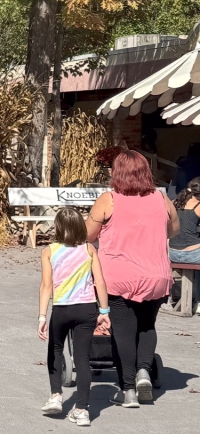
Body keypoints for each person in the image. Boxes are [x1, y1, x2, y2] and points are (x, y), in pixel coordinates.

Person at [86, 150, 179, 406]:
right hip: (156, 276)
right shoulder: (161, 198)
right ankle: (143, 373)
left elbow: (88, 234)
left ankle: (127, 390)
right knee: (147, 326)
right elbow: (174, 230)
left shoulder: (109, 200)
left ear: (117, 173)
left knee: (122, 332)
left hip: (119, 277)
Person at [38, 208, 111, 427]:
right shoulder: (89, 249)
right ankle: (81, 410)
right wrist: (104, 312)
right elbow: (100, 281)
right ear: (80, 226)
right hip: (86, 309)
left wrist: (42, 316)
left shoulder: (49, 251)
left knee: (55, 349)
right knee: (82, 358)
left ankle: (56, 396)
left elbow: (46, 286)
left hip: (62, 309)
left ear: (58, 227)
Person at [170, 177, 200, 311]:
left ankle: (189, 298)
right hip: (192, 254)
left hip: (173, 252)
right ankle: (198, 301)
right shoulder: (198, 205)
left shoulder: (176, 202)